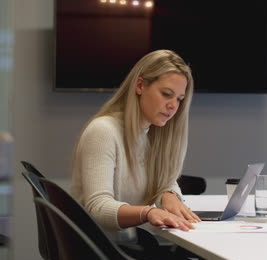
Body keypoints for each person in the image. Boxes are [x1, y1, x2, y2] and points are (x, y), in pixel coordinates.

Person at [71, 49, 201, 241]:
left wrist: (169, 193)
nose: (173, 105)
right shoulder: (103, 131)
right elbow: (98, 207)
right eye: (166, 94)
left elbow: (164, 179)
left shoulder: (153, 134)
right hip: (103, 251)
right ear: (140, 85)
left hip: (131, 244)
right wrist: (147, 213)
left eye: (179, 99)